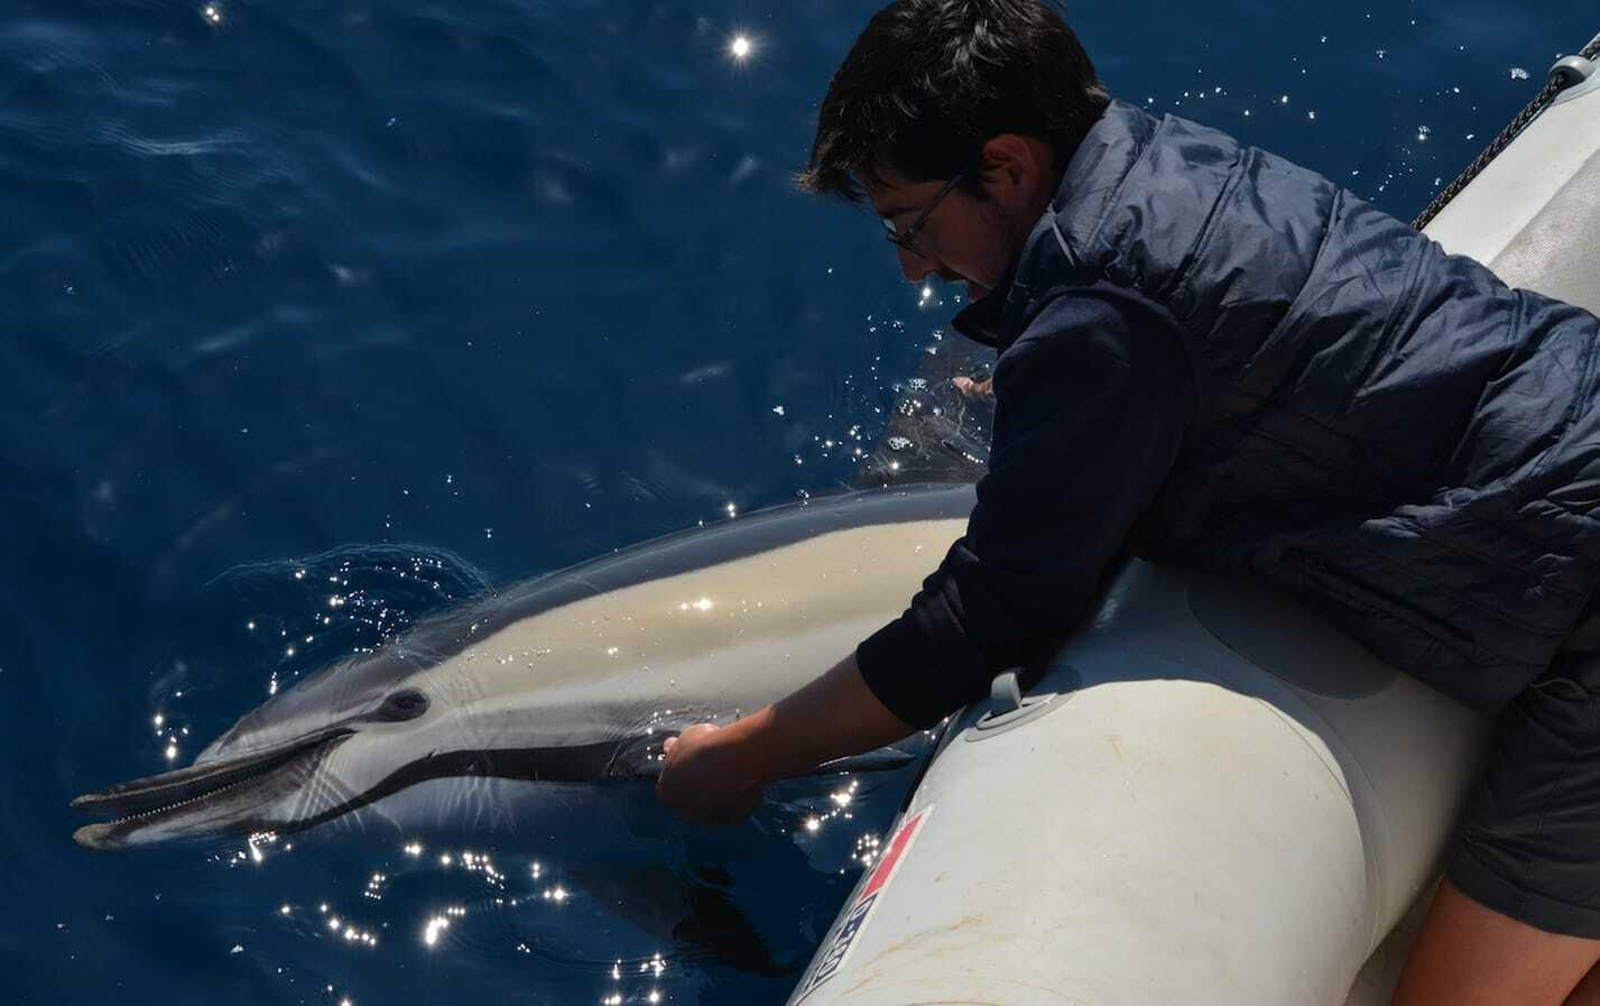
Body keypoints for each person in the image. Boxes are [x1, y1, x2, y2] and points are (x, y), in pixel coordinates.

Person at [652, 2, 1600, 1003]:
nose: (911, 265)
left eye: (910, 223)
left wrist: (742, 754)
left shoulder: (1100, 317)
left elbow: (986, 614)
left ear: (1008, 166)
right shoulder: (1159, 164)